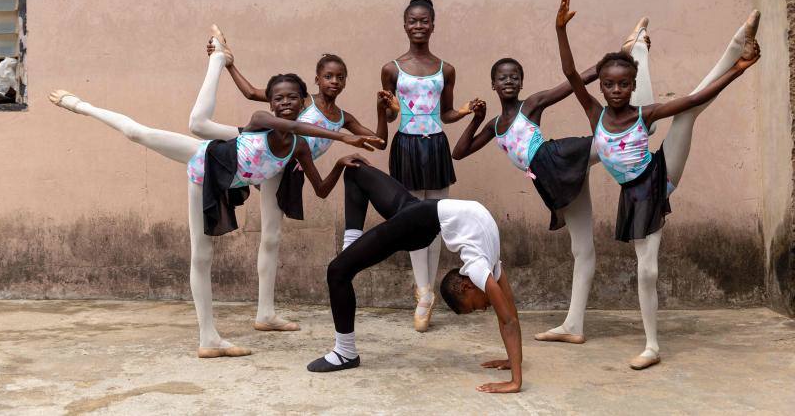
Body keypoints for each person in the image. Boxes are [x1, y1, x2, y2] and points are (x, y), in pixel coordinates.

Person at [48, 72, 380, 358]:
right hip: (204, 163)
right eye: (278, 98)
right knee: (140, 135)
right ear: (271, 103)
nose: (285, 103)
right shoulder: (261, 119)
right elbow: (289, 124)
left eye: (293, 97)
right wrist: (341, 135)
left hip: (229, 182)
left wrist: (338, 163)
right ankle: (81, 105)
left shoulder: (300, 147)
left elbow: (320, 190)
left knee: (247, 243)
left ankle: (256, 318)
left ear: (304, 99)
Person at [557, 0, 761, 369]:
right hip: (633, 197)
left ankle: (736, 46)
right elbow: (570, 75)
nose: (616, 91)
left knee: (689, 112)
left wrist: (739, 70)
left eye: (623, 85)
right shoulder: (594, 114)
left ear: (632, 87)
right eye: (609, 85)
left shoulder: (645, 113)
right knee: (647, 270)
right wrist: (560, 31)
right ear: (600, 87)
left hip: (660, 175)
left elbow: (695, 98)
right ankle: (652, 346)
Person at [452, 11, 655, 345]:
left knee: (611, 138)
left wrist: (619, 56)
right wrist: (476, 119)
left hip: (558, 158)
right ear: (492, 84)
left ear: (521, 83)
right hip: (549, 179)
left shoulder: (530, 105)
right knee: (582, 248)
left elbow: (575, 81)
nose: (508, 81)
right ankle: (573, 325)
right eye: (502, 77)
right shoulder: (494, 126)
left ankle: (639, 71)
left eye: (515, 76)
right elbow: (459, 153)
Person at [193, 26, 392, 331]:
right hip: (263, 148)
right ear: (317, 79)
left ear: (345, 81)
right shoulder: (301, 100)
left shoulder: (344, 118)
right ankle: (218, 59)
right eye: (328, 76)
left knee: (271, 238)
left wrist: (382, 111)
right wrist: (230, 64)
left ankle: (265, 313)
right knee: (203, 129)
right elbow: (251, 93)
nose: (334, 82)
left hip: (285, 171)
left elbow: (379, 141)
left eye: (340, 77)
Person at [307, 163, 522, 394]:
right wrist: (515, 380)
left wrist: (514, 364)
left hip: (420, 220)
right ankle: (351, 251)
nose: (484, 308)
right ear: (467, 286)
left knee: (337, 271)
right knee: (355, 170)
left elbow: (509, 315)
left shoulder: (486, 263)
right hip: (416, 221)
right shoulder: (482, 268)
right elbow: (509, 318)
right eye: (475, 307)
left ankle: (344, 351)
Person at [380, 0, 475, 331]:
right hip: (405, 145)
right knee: (411, 220)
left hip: (434, 145)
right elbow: (392, 115)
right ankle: (423, 292)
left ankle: (426, 291)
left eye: (424, 21)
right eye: (412, 21)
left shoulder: (445, 69)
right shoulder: (391, 68)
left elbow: (445, 114)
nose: (418, 26)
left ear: (433, 25)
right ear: (405, 24)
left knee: (435, 219)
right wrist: (387, 107)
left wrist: (463, 112)